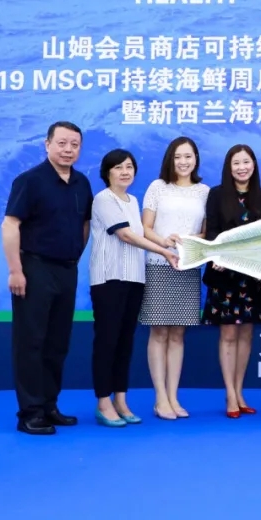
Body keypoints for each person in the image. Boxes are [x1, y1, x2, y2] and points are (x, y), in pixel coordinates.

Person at [2, 121, 94, 435]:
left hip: (67, 269)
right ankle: (29, 413)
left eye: (74, 145)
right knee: (31, 342)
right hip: (34, 268)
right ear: (47, 144)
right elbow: (10, 225)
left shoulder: (82, 182)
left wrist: (75, 256)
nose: (68, 150)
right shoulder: (29, 181)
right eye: (62, 143)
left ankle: (49, 405)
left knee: (57, 343)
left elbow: (84, 224)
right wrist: (16, 270)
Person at [88, 149, 176, 427]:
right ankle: (103, 403)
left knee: (125, 341)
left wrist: (165, 242)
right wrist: (164, 252)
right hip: (108, 279)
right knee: (107, 341)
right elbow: (126, 235)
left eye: (129, 167)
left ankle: (121, 400)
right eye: (118, 167)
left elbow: (140, 233)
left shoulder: (133, 200)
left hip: (134, 278)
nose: (125, 172)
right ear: (107, 173)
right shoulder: (103, 199)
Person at [138, 137, 210, 420]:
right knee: (159, 332)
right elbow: (145, 227)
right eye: (178, 156)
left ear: (196, 159)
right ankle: (160, 398)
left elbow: (206, 233)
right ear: (170, 158)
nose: (183, 162)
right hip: (159, 263)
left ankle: (173, 396)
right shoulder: (158, 187)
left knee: (178, 333)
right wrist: (164, 242)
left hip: (187, 266)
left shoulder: (204, 192)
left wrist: (191, 239)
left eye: (188, 156)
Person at [200, 144, 261, 418]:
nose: (242, 168)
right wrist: (216, 255)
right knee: (229, 334)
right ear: (229, 168)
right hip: (225, 275)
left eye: (246, 162)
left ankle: (240, 391)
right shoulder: (217, 194)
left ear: (254, 165)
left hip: (253, 276)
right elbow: (212, 231)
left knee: (246, 334)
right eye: (236, 163)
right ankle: (230, 393)